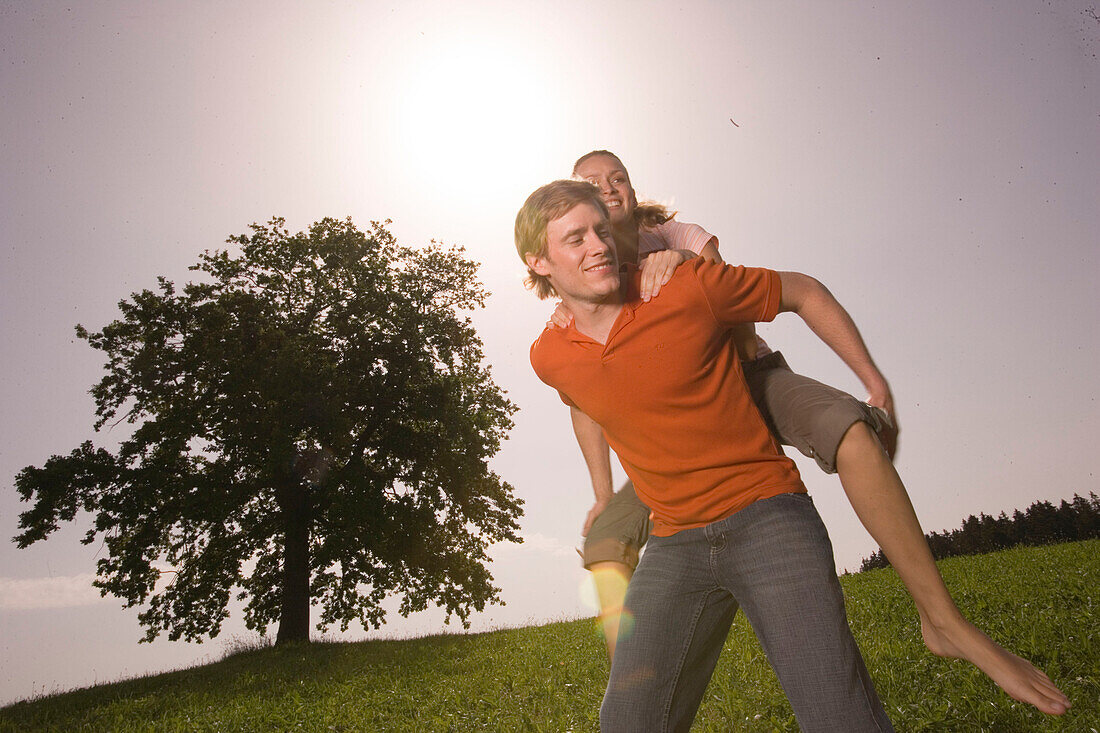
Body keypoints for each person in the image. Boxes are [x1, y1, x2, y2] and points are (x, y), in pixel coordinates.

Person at [515, 179, 1069, 729]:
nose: (598, 246)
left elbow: (803, 290)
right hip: (673, 542)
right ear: (539, 262)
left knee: (839, 718)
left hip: (767, 520)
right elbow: (582, 397)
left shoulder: (685, 287)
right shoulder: (550, 356)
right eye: (575, 240)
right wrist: (601, 491)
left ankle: (945, 622)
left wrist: (874, 383)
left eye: (600, 231)